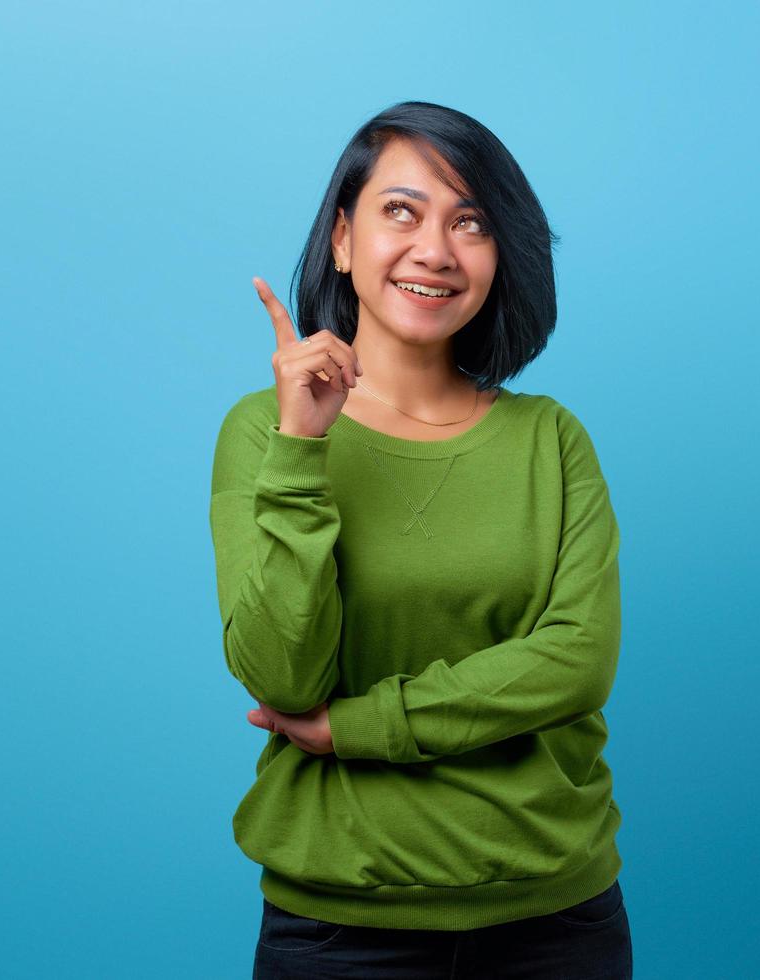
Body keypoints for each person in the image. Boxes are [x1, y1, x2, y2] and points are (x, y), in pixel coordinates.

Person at [208, 100, 632, 979]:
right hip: (340, 930)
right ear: (341, 240)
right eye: (401, 211)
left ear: (498, 253)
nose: (434, 249)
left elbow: (578, 659)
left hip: (555, 920)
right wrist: (301, 450)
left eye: (469, 222)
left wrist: (362, 726)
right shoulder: (265, 435)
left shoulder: (550, 440)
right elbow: (283, 674)